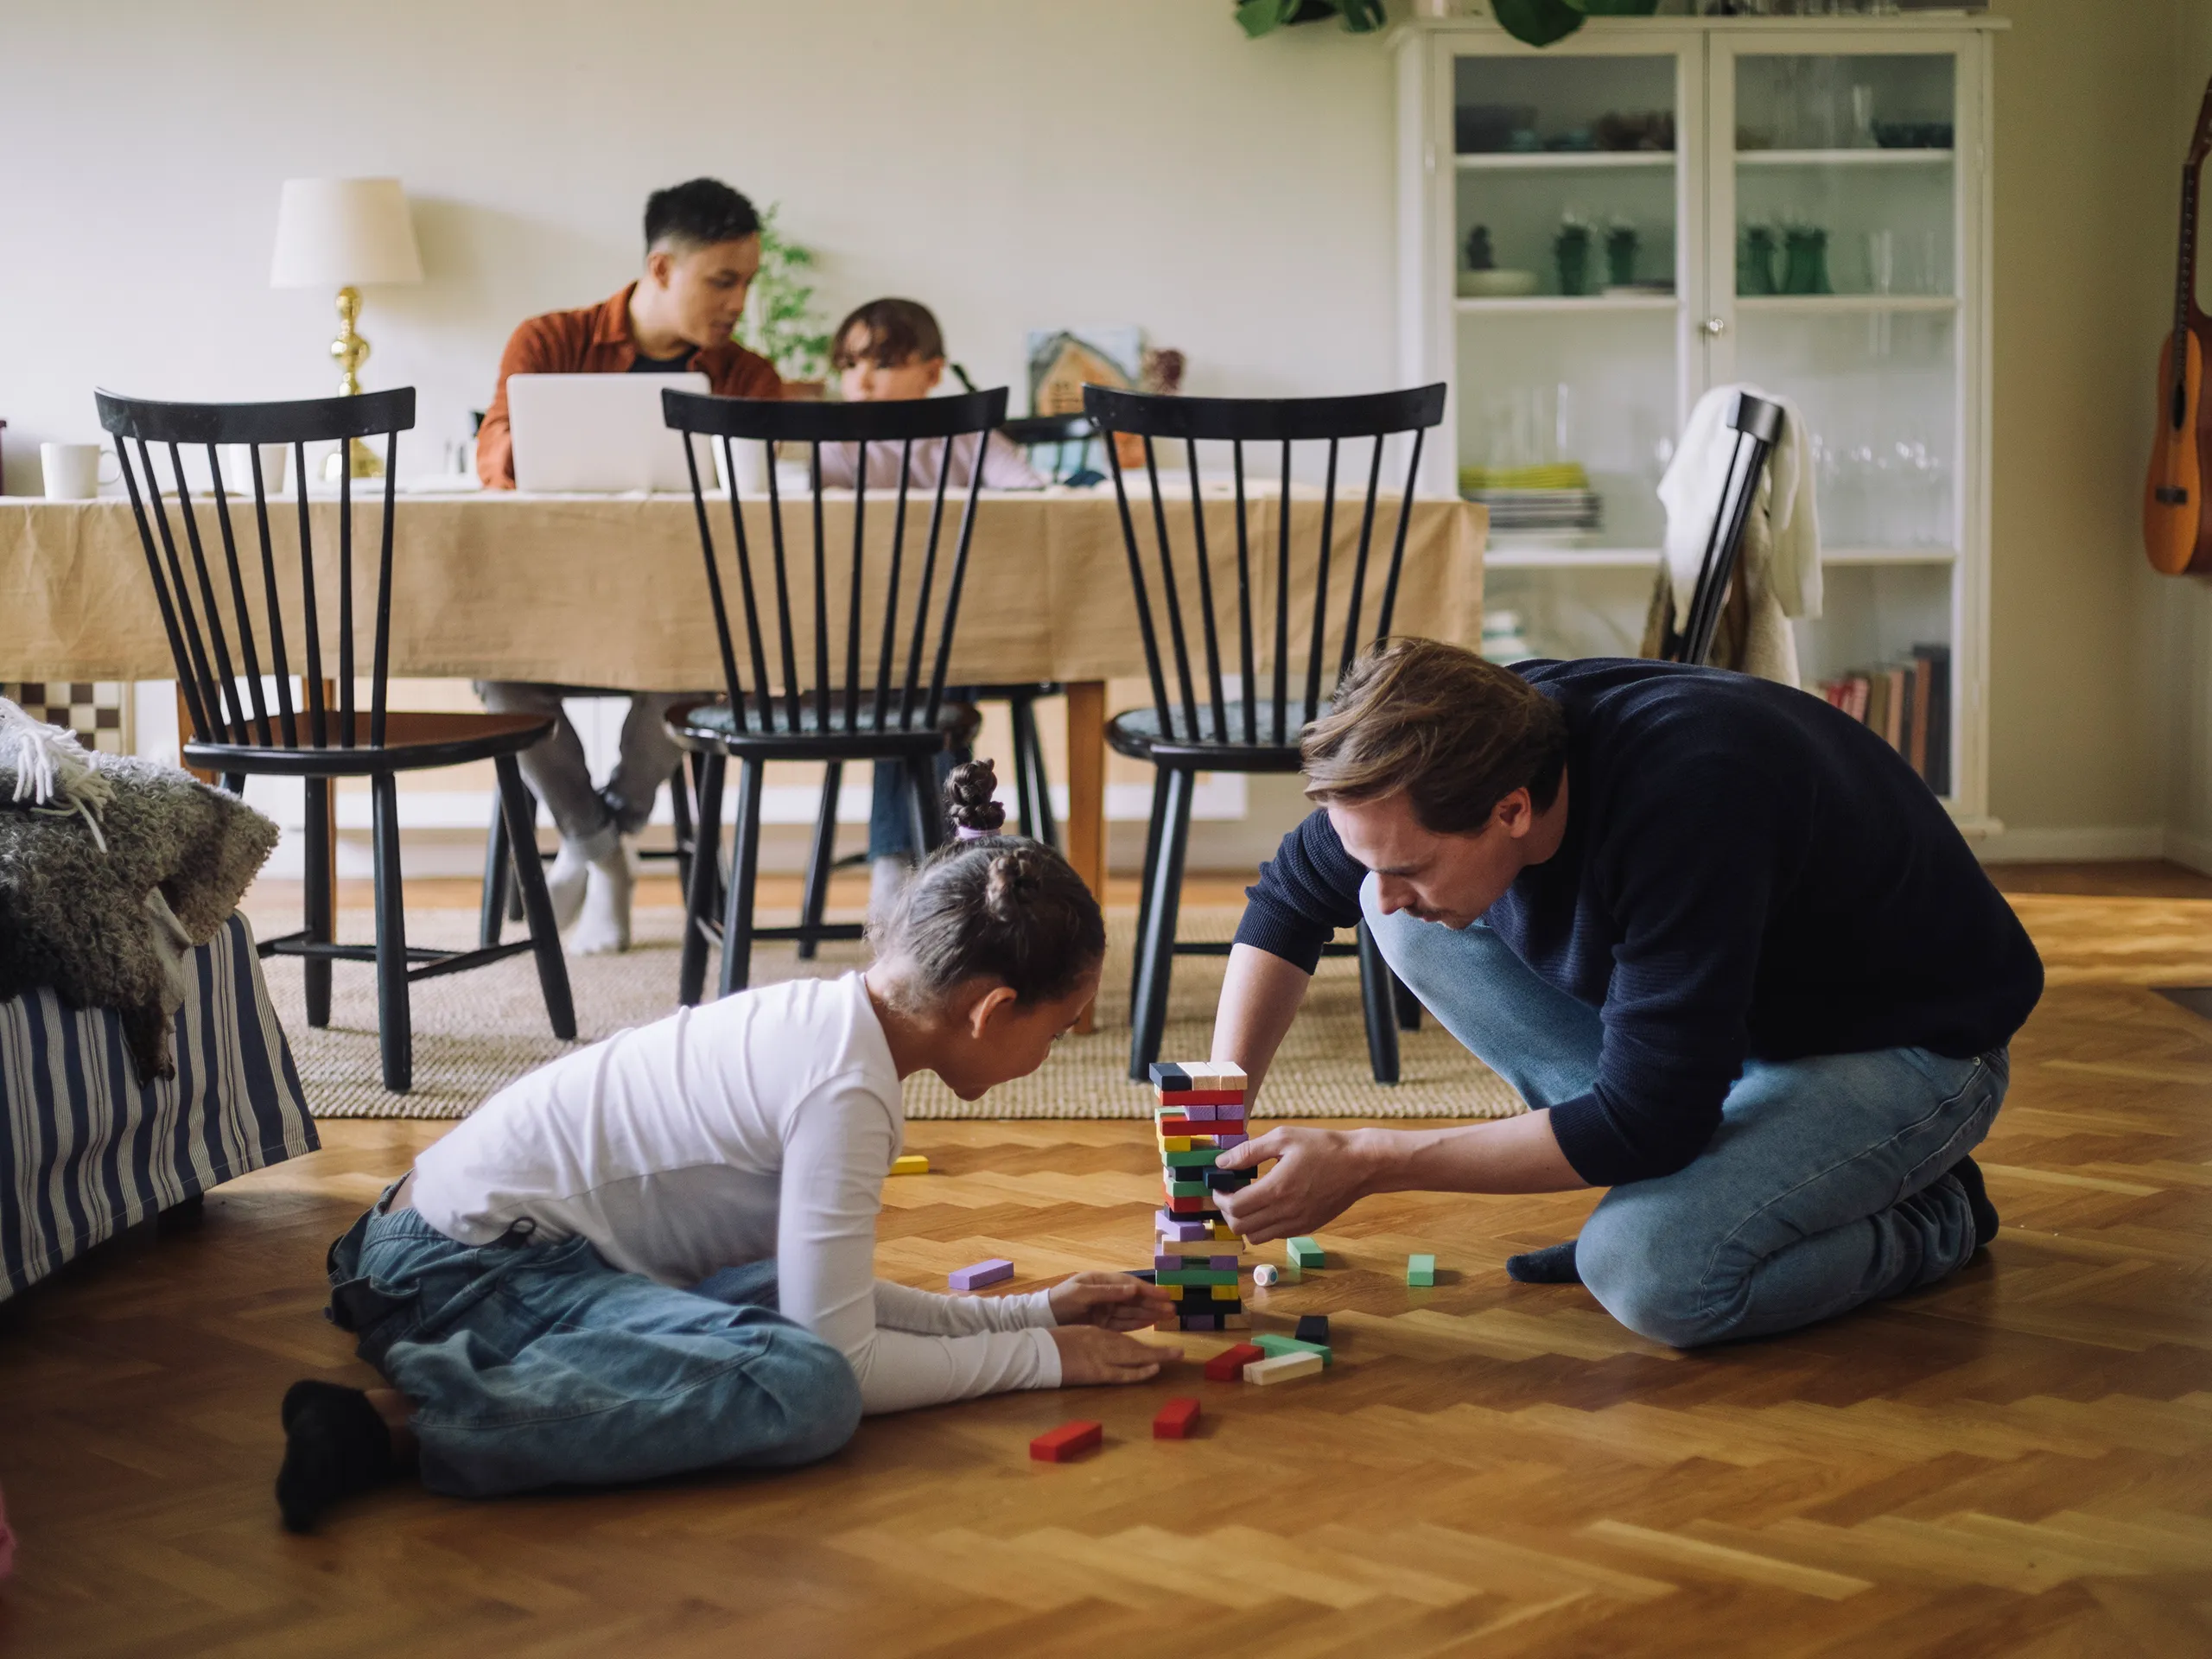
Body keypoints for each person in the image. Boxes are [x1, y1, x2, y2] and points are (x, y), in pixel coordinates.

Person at [273, 760, 1173, 1534]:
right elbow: (846, 1369)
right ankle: (393, 1423)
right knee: (807, 1394)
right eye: (1057, 1031)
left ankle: (476, 1371)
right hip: (457, 1276)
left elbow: (832, 1308)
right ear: (992, 1011)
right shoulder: (846, 1088)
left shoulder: (836, 1028)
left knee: (795, 1302)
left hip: (437, 1240)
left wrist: (1026, 1314)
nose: (1054, 1051)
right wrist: (1045, 1361)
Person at [1208, 639, 2044, 1350]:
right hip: (1733, 1029)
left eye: (1411, 863)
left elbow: (1652, 1118)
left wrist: (1370, 1162)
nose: (1387, 885)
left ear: (1512, 810)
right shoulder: (1449, 757)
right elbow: (1290, 898)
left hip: (1910, 1045)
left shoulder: (1693, 797)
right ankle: (1742, 1177)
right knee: (1395, 917)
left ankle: (1937, 1212)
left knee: (1651, 1274)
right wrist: (1216, 1110)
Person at [474, 178, 785, 955]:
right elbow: (495, 460)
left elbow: (760, 507)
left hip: (680, 610)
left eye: (747, 281)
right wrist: (572, 436)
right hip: (553, 599)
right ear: (660, 269)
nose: (739, 301)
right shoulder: (549, 342)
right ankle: (604, 847)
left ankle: (598, 840)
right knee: (494, 677)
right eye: (723, 280)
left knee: (701, 664)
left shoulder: (748, 378)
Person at [817, 298, 1044, 918]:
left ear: (933, 371)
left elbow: (1032, 500)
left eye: (883, 362)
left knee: (930, 667)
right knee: (913, 672)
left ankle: (901, 865)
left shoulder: (967, 436)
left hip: (966, 636)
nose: (860, 377)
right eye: (849, 362)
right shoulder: (832, 447)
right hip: (861, 645)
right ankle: (942, 864)